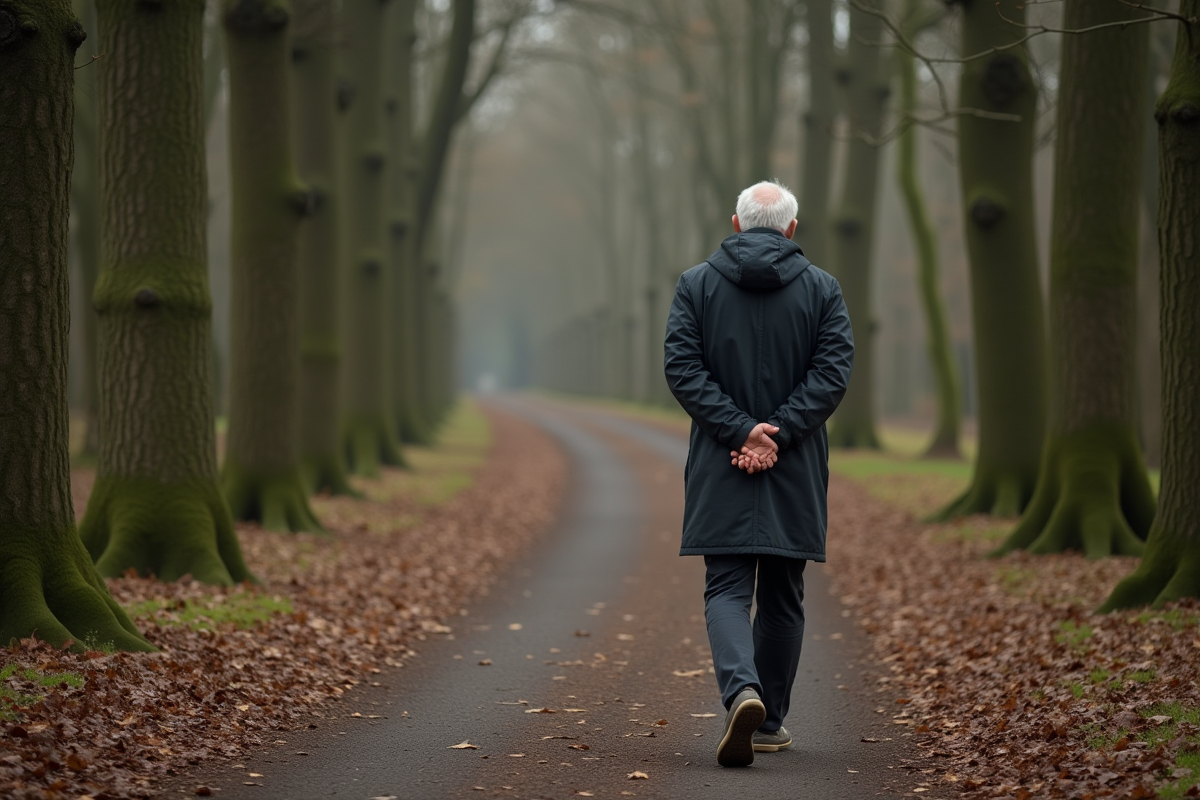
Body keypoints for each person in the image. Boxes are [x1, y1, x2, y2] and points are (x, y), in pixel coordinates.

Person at [663, 180, 855, 768]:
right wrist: (778, 433)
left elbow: (682, 367)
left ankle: (740, 690)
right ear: (792, 229)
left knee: (725, 586)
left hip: (722, 459)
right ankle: (768, 720)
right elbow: (833, 371)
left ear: (737, 223)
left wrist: (740, 430)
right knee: (783, 593)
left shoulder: (696, 284)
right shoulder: (823, 290)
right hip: (793, 463)